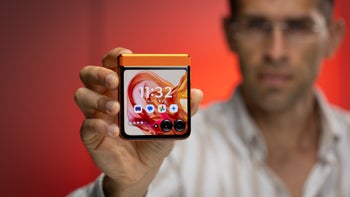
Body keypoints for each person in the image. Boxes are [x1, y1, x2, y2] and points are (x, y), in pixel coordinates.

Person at [72, 0, 349, 196]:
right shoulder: (170, 147)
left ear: (333, 38)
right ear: (230, 34)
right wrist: (125, 190)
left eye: (299, 27)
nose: (275, 52)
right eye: (255, 25)